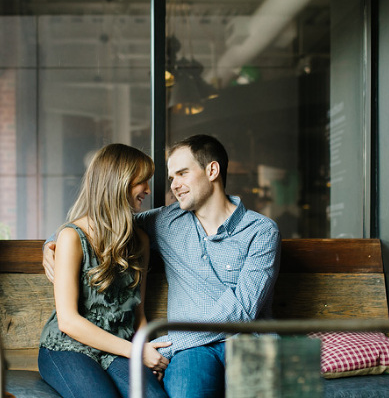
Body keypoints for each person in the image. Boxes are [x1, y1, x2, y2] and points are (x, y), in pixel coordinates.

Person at [43, 134, 281, 398]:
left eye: (182, 173)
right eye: (171, 178)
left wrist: (162, 348)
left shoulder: (261, 231)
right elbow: (100, 223)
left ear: (212, 170)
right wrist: (51, 244)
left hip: (250, 341)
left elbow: (241, 312)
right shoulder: (166, 222)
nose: (174, 186)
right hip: (192, 351)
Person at [38, 143, 171, 398]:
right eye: (142, 181)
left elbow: (138, 312)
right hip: (67, 347)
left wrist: (146, 348)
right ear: (119, 182)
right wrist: (136, 352)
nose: (148, 189)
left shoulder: (140, 241)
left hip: (118, 349)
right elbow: (68, 321)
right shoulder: (71, 237)